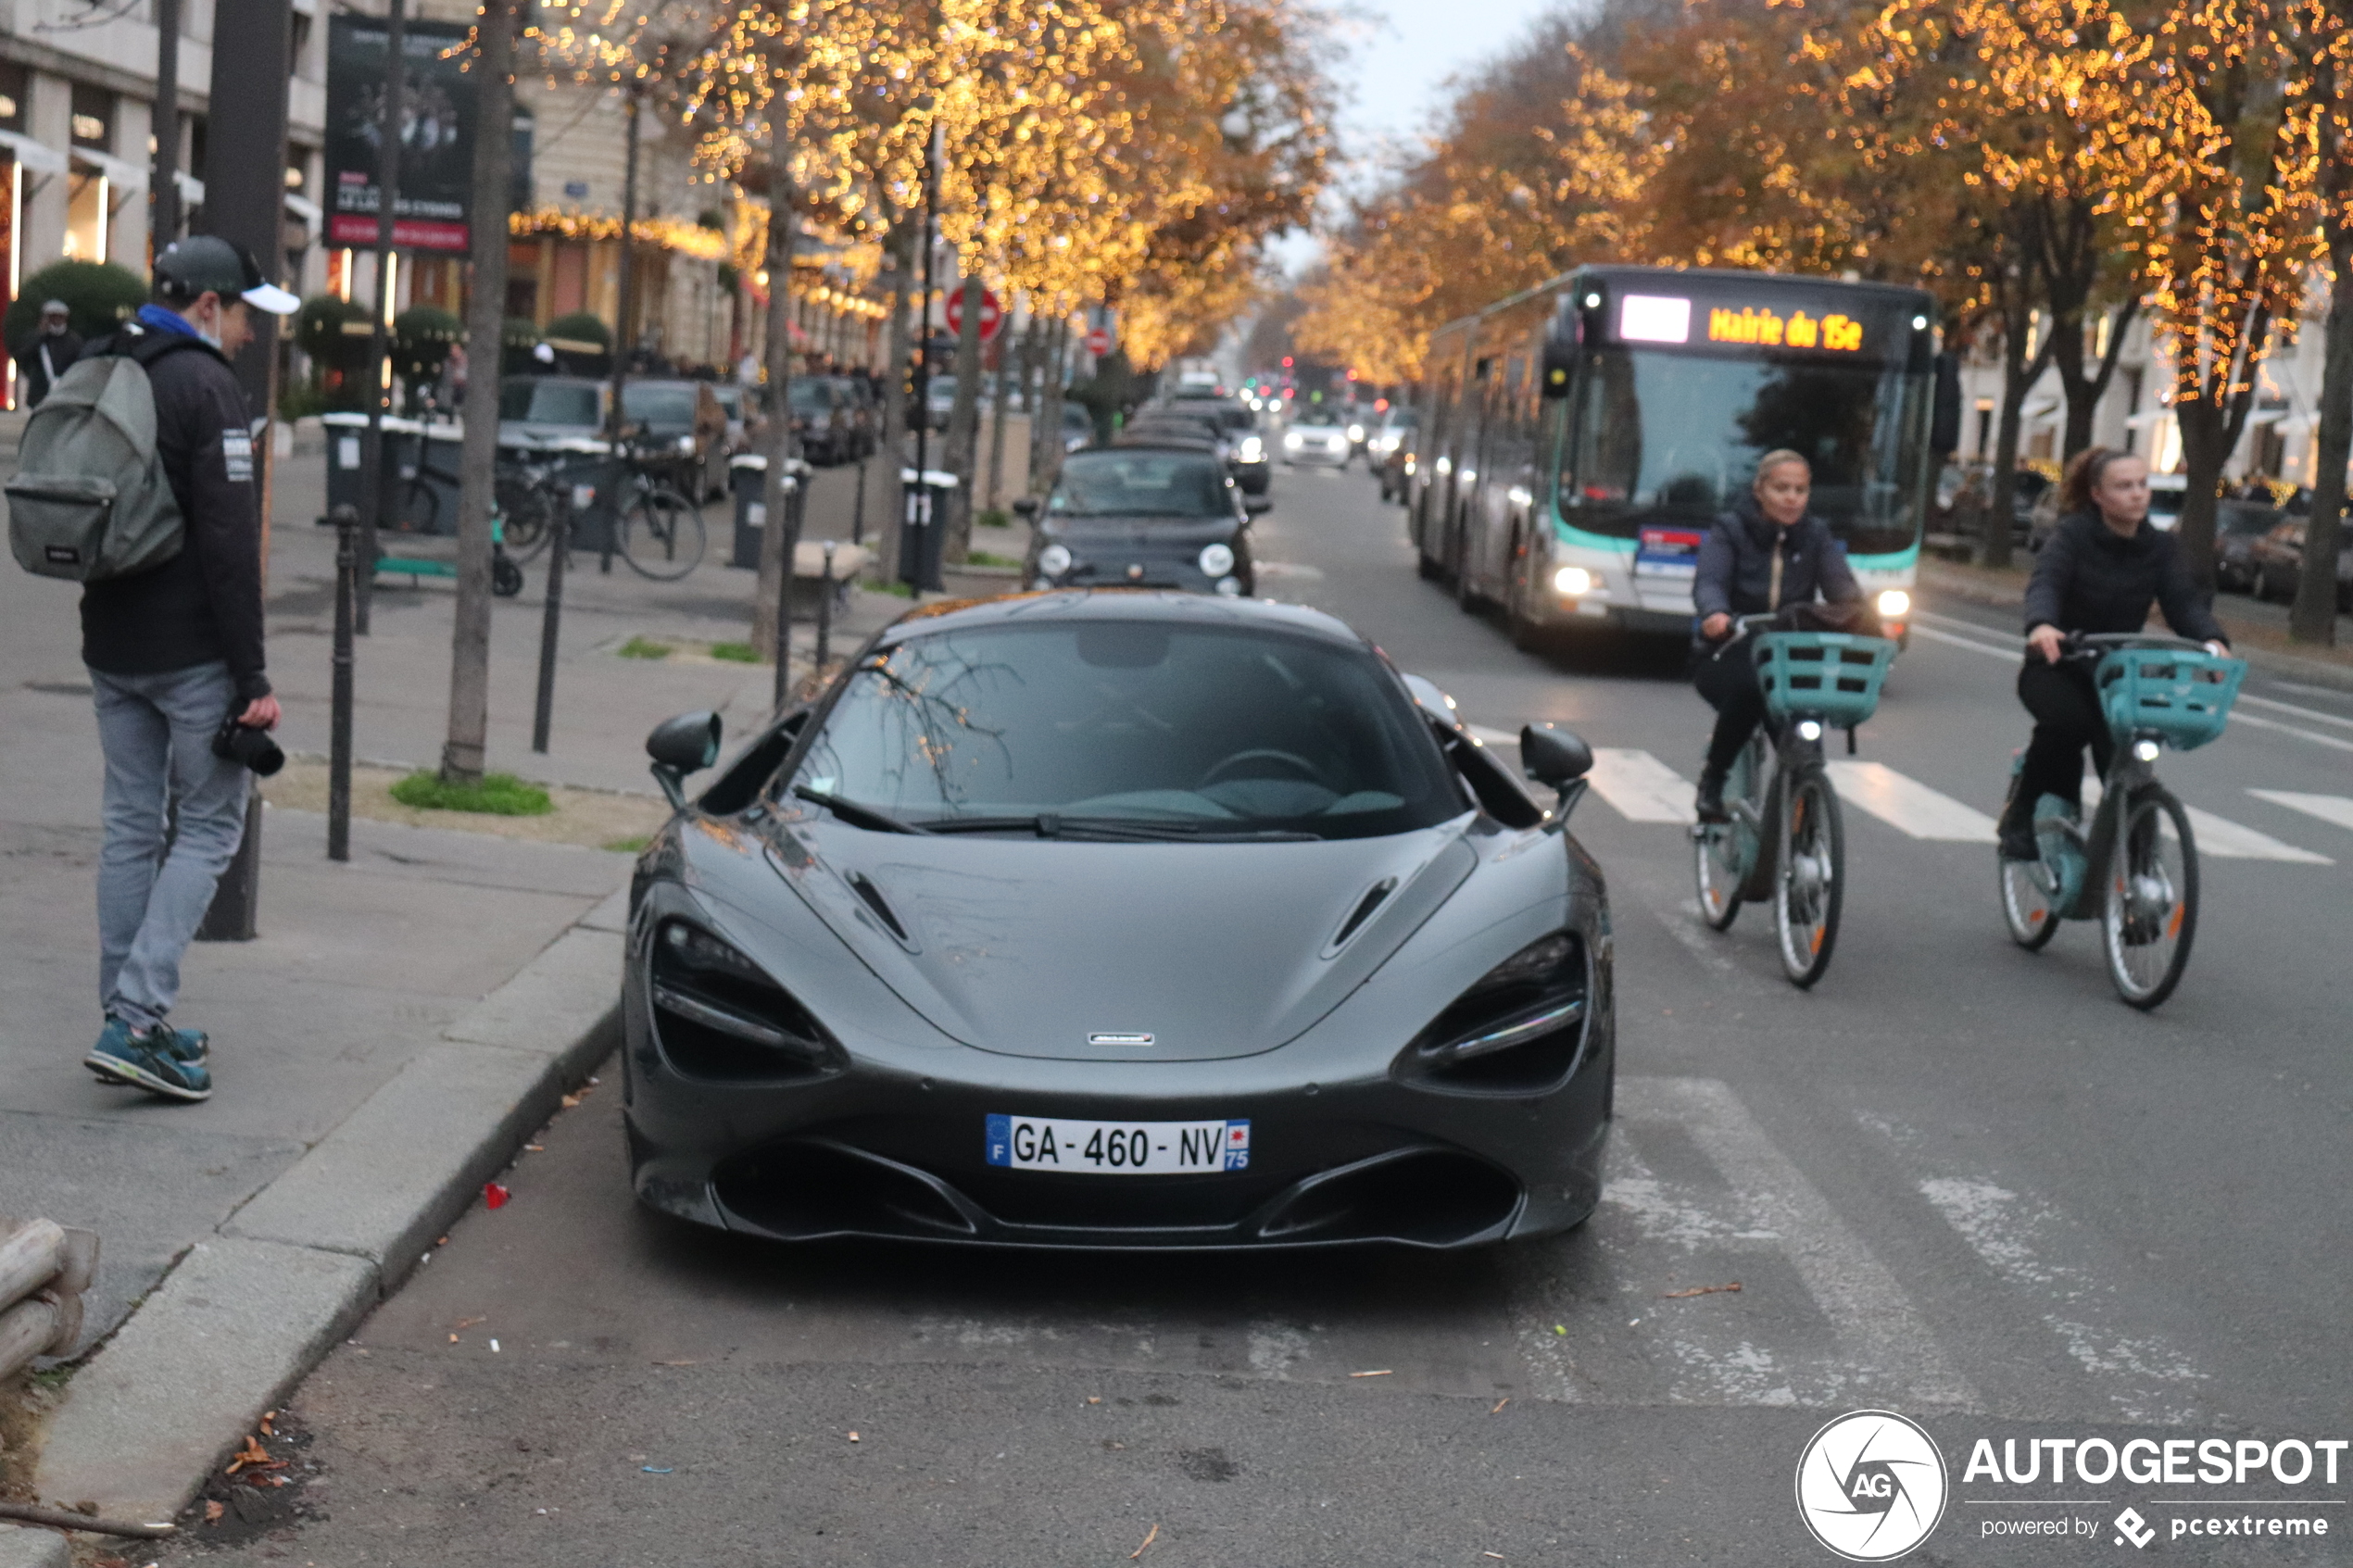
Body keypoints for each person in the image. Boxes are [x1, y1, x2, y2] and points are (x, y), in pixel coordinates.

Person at [77, 235, 300, 1101]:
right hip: (192, 655)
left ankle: (124, 1016)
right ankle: (136, 1021)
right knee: (210, 828)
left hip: (111, 646)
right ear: (209, 306)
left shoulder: (113, 362)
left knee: (131, 826)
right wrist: (254, 679)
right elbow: (230, 547)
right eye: (244, 314)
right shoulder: (206, 387)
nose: (249, 333)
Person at [1994, 447, 2229, 861]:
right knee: (2069, 726)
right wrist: (2042, 625)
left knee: (2128, 749)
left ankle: (2139, 869)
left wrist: (2212, 641)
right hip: (2056, 665)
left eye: (2142, 484)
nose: (2138, 495)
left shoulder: (2159, 548)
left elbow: (2183, 604)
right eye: (2124, 486)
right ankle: (2022, 818)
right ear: (2098, 495)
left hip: (2117, 672)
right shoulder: (2072, 537)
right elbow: (2045, 583)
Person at [1690, 450, 1864, 822]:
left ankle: (1806, 806)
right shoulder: (1730, 529)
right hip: (1730, 648)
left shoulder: (1815, 535)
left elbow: (1844, 592)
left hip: (1790, 654)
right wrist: (1715, 614)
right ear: (1759, 490)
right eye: (1781, 488)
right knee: (1750, 691)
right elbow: (1710, 581)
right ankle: (1713, 781)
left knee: (1804, 723)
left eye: (1800, 490)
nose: (1791, 498)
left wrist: (1864, 619)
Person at [14, 300, 84, 407]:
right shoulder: (36, 338)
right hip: (40, 395)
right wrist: (40, 335)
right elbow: (23, 356)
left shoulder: (74, 340)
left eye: (60, 317)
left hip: (66, 393)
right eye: (52, 317)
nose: (56, 320)